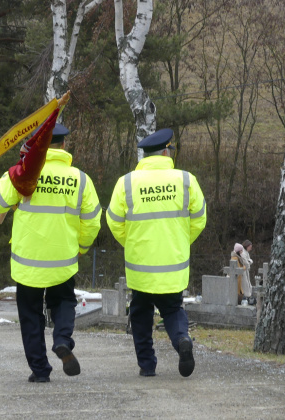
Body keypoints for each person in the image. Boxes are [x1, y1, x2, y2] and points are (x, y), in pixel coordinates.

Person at [0, 123, 101, 383]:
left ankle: (40, 370)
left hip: (27, 263)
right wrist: (81, 247)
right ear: (63, 145)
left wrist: (15, 174)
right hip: (62, 260)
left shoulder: (22, 173)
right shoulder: (80, 179)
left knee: (30, 316)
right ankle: (62, 340)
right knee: (63, 303)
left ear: (37, 144)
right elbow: (93, 221)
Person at [106, 128, 207, 378]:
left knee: (140, 314)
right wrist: (181, 241)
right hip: (173, 263)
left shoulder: (127, 182)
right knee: (173, 309)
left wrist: (132, 243)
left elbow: (113, 221)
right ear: (166, 152)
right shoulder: (186, 180)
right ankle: (182, 339)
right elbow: (200, 219)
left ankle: (147, 366)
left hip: (141, 266)